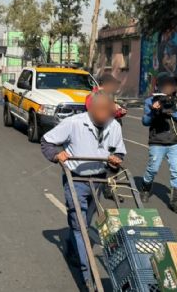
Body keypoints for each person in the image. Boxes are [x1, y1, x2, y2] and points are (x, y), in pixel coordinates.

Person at [41, 91, 126, 290]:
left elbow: (119, 151)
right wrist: (57, 155)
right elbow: (47, 141)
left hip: (98, 179)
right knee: (80, 227)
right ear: (91, 108)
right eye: (101, 110)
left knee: (85, 221)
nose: (105, 114)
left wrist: (115, 160)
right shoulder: (74, 123)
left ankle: (72, 249)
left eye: (108, 110)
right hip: (76, 179)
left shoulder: (114, 126)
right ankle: (89, 277)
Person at [139, 72, 177, 214]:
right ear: (160, 86)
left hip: (175, 142)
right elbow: (145, 122)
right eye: (165, 85)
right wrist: (153, 112)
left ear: (175, 87)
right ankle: (145, 188)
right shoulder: (151, 101)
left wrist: (173, 112)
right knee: (153, 168)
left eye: (172, 85)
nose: (169, 87)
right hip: (158, 141)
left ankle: (175, 202)